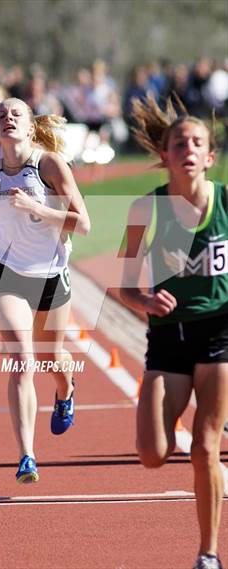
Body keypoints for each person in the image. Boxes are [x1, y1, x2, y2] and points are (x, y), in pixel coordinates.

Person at [120, 95, 227, 569]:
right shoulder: (146, 210)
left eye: (197, 142)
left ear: (210, 157)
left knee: (206, 446)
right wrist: (144, 300)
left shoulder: (225, 203)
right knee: (151, 453)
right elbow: (124, 286)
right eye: (177, 141)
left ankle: (208, 553)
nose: (187, 148)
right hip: (168, 338)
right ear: (163, 155)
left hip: (219, 333)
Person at [0, 97, 90, 483]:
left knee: (51, 358)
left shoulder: (48, 164)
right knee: (22, 357)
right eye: (1, 115)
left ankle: (66, 390)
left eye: (16, 113)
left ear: (31, 126)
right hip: (7, 271)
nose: (8, 118)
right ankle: (27, 456)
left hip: (50, 272)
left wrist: (39, 208)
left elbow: (82, 224)